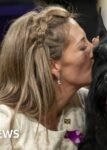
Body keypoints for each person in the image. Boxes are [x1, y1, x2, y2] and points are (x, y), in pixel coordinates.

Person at [0, 5, 98, 150]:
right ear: (53, 66)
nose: (95, 50)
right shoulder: (7, 125)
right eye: (83, 47)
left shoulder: (84, 104)